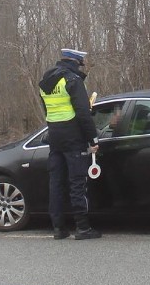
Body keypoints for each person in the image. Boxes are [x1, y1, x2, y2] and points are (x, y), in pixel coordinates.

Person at [38, 48, 102, 240]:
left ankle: (58, 228)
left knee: (56, 184)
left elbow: (49, 112)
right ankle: (82, 228)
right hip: (73, 137)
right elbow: (83, 114)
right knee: (77, 183)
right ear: (76, 63)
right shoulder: (72, 80)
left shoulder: (45, 83)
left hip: (54, 137)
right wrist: (93, 139)